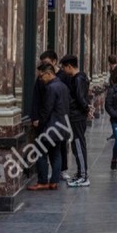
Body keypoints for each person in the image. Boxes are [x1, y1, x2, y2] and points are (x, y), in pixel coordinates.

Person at [27, 63, 70, 191]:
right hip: (61, 126)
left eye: (41, 76)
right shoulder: (63, 86)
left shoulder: (51, 88)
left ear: (49, 73)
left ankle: (43, 181)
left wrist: (39, 123)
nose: (40, 79)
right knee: (56, 154)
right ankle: (54, 182)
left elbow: (47, 109)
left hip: (50, 128)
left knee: (40, 153)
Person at [60, 55, 91, 187]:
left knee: (78, 144)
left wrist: (86, 109)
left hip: (77, 116)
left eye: (63, 67)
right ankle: (80, 173)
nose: (63, 70)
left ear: (69, 67)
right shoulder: (80, 77)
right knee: (77, 144)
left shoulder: (78, 79)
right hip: (77, 115)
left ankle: (83, 176)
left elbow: (80, 97)